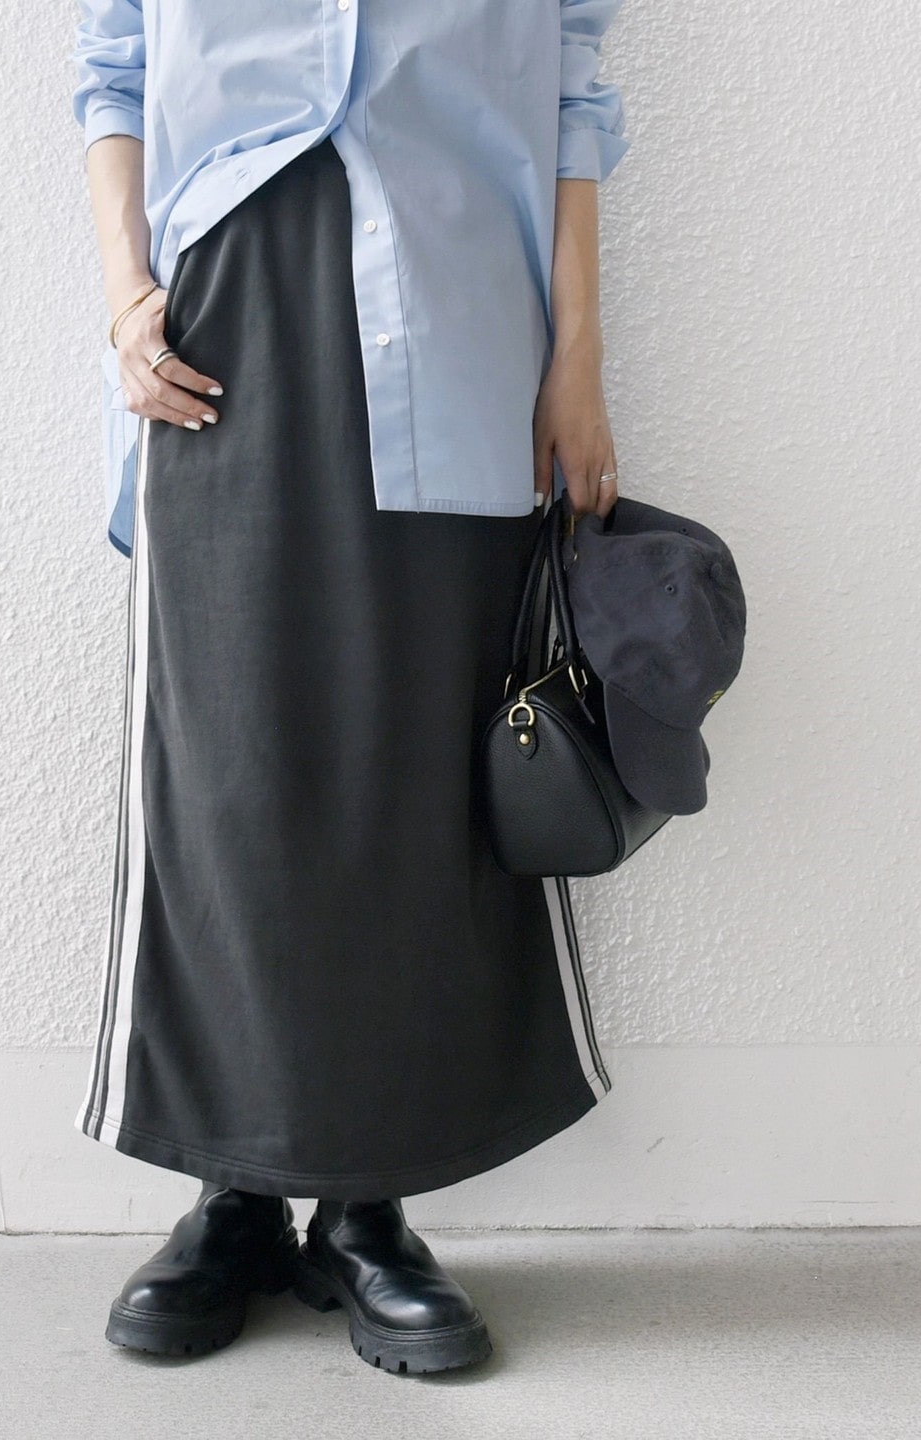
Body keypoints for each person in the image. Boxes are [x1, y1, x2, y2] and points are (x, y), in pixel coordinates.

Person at [70, 0, 629, 1375]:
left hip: (460, 325)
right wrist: (129, 299)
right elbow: (114, 70)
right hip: (219, 332)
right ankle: (234, 1194)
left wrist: (578, 356)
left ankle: (368, 1211)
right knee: (230, 776)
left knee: (413, 781)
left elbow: (571, 83)